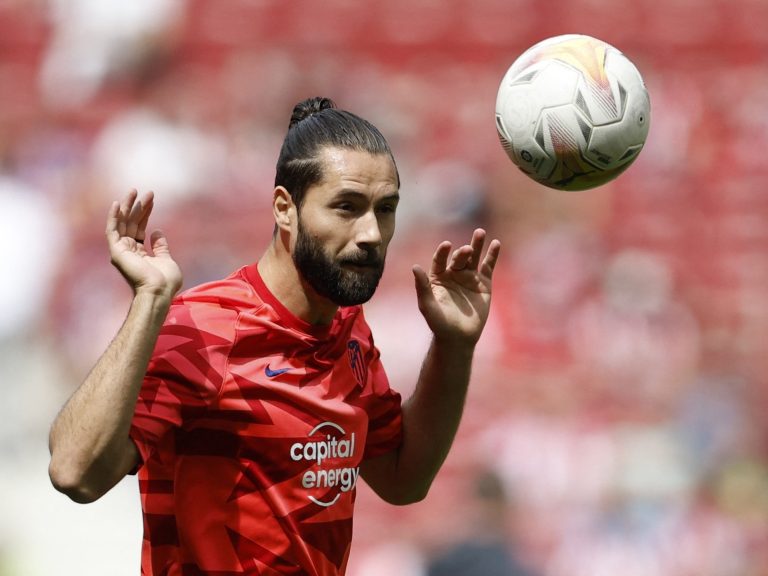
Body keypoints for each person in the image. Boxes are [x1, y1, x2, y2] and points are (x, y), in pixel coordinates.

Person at [48, 96, 501, 575]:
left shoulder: (349, 332)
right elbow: (75, 473)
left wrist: (454, 344)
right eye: (346, 207)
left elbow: (402, 480)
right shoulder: (202, 328)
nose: (370, 233)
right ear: (285, 208)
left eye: (385, 209)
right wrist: (150, 301)